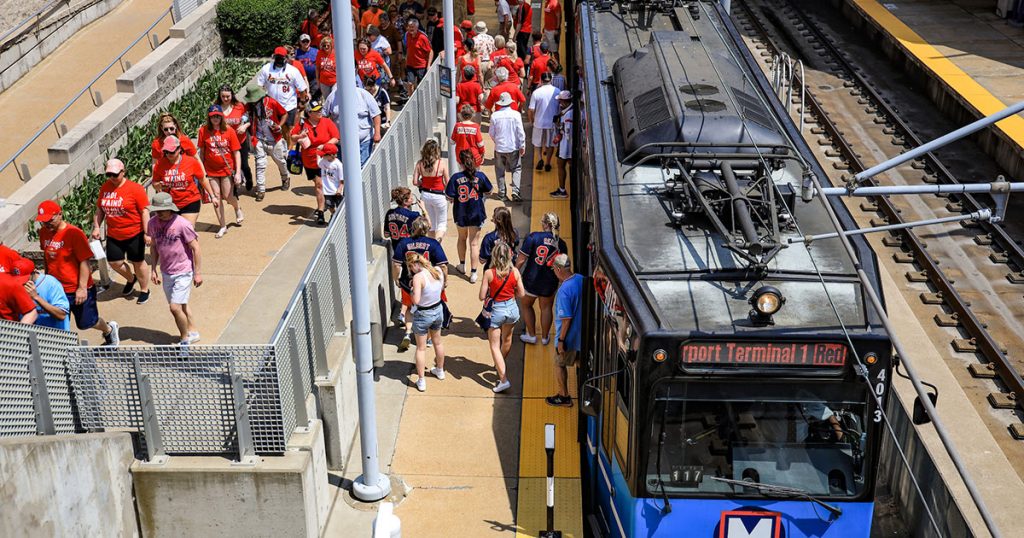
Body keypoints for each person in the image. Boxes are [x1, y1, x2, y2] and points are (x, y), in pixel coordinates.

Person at [35, 200, 119, 345]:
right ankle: (70, 354)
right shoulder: (44, 232)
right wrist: (46, 280)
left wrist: (81, 288)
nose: (46, 224)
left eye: (50, 220)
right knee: (59, 326)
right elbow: (47, 256)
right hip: (57, 290)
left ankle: (109, 329)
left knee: (88, 322)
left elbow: (84, 261)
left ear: (60, 214)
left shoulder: (74, 233)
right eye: (43, 222)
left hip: (76, 289)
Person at [91, 158, 151, 304]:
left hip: (134, 232)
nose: (112, 177)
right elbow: (100, 209)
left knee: (138, 261)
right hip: (114, 233)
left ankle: (144, 289)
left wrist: (147, 232)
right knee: (114, 262)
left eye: (115, 174)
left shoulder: (135, 189)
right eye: (109, 174)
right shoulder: (105, 188)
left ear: (123, 172)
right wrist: (97, 227)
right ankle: (131, 279)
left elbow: (144, 211)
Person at [147, 192, 203, 347]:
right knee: (182, 304)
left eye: (163, 210)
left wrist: (197, 273)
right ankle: (193, 331)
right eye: (157, 210)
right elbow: (153, 248)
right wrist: (153, 269)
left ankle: (184, 339)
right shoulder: (152, 223)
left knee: (174, 307)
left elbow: (196, 248)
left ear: (170, 209)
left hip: (183, 271)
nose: (160, 213)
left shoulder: (182, 224)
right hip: (166, 272)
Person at [392, 218, 448, 352]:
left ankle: (408, 332)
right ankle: (428, 337)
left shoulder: (404, 243)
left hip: (409, 282)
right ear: (427, 229)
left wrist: (396, 279)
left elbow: (396, 264)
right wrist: (444, 281)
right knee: (430, 307)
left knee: (410, 307)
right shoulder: (433, 243)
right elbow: (443, 266)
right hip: (429, 281)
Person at [478, 242, 524, 393]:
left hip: (496, 311)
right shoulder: (515, 272)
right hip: (512, 309)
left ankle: (503, 379)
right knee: (508, 339)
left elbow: (481, 296)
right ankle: (500, 364)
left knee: (494, 346)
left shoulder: (489, 273)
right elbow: (522, 294)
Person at [516, 212, 567, 344]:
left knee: (526, 305)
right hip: (549, 282)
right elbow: (562, 266)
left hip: (530, 280)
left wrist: (514, 273)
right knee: (546, 308)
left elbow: (521, 260)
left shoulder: (534, 237)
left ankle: (532, 335)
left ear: (545, 224)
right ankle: (545, 337)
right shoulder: (561, 243)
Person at [445, 150, 493, 283]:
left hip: (460, 214)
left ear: (460, 162)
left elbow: (449, 196)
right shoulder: (481, 176)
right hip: (477, 213)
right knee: (474, 243)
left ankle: (462, 265)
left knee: (461, 238)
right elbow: (489, 191)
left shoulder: (455, 178)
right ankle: (473, 273)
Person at [198, 105, 244, 238]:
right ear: (209, 117)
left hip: (226, 169)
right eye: (213, 116)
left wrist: (237, 172)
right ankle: (223, 226)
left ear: (222, 117)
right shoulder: (203, 131)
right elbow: (201, 152)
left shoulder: (229, 130)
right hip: (210, 170)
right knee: (216, 198)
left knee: (228, 196)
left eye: (218, 116)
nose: (215, 118)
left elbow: (236, 152)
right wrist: (202, 171)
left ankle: (237, 208)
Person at [292, 100, 339, 225]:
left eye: (320, 109)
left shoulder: (327, 122)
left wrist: (325, 145)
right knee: (319, 185)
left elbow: (336, 137)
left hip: (325, 159)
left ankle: (321, 212)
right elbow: (292, 137)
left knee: (320, 185)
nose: (319, 112)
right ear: (309, 113)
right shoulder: (303, 124)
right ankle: (328, 208)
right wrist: (300, 136)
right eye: (316, 110)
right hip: (310, 160)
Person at [152, 136, 216, 226]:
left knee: (186, 228)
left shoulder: (191, 162)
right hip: (170, 204)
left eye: (171, 151)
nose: (169, 154)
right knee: (173, 231)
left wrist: (212, 196)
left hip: (190, 201)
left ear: (179, 149)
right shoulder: (160, 164)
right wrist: (158, 185)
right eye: (166, 152)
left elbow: (202, 179)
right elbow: (154, 183)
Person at [406, 251, 446, 392]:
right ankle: (440, 370)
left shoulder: (418, 278)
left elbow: (416, 300)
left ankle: (421, 380)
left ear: (413, 265)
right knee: (437, 342)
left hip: (423, 313)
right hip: (438, 309)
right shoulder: (438, 271)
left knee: (421, 348)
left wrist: (411, 291)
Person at [242, 82, 289, 201]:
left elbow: (284, 114)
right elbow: (244, 116)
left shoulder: (271, 102)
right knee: (260, 164)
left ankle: (285, 177)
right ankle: (261, 190)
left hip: (274, 138)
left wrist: (279, 126)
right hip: (259, 139)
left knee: (281, 162)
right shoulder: (249, 106)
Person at [547, 253, 582, 407]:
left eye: (554, 268)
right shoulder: (581, 279)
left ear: (560, 269)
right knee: (580, 361)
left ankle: (563, 396)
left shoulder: (564, 291)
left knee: (559, 364)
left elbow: (566, 318)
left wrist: (561, 340)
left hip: (569, 338)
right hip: (582, 335)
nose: (553, 271)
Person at [257, 46, 310, 146]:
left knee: (289, 130)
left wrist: (302, 101)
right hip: (272, 106)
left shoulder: (293, 71)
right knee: (273, 128)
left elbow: (302, 88)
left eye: (282, 57)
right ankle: (276, 148)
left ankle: (288, 151)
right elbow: (259, 85)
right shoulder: (266, 69)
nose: (279, 60)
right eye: (277, 57)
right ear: (274, 57)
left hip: (288, 105)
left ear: (286, 57)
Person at [324, 84, 382, 165]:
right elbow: (324, 116)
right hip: (341, 144)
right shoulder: (332, 97)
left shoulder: (364, 94)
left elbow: (376, 114)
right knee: (344, 169)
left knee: (362, 168)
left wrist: (377, 133)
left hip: (364, 141)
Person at [14, 257, 70, 330]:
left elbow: (61, 315)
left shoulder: (51, 283)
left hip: (56, 337)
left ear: (34, 272)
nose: (22, 283)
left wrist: (36, 297)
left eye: (25, 279)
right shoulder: (15, 285)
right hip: (29, 335)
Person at [216, 85, 254, 193]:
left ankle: (248, 178)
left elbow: (250, 118)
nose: (226, 99)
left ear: (232, 95)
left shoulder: (239, 106)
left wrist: (245, 126)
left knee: (244, 165)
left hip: (240, 141)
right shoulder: (217, 108)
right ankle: (234, 189)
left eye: (228, 96)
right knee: (230, 166)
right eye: (223, 96)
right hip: (225, 143)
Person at [489, 92, 526, 201]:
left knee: (500, 170)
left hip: (500, 148)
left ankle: (502, 193)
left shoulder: (494, 115)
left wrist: (497, 141)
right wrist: (522, 145)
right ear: (510, 103)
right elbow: (520, 132)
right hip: (513, 147)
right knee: (516, 168)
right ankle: (515, 190)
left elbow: (491, 133)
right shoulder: (516, 115)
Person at [412, 139, 449, 239]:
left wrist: (422, 182)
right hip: (439, 196)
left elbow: (415, 182)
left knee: (430, 223)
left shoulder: (420, 164)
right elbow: (447, 182)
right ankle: (437, 242)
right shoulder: (441, 163)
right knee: (442, 224)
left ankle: (432, 245)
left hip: (425, 195)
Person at [528, 72, 559, 172]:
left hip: (539, 122)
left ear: (541, 80)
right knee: (550, 144)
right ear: (551, 80)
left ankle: (540, 158)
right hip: (552, 123)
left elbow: (531, 110)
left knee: (538, 143)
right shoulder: (557, 91)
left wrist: (531, 120)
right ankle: (548, 162)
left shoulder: (536, 92)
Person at [479, 206, 518, 270]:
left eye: (493, 215)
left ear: (496, 220)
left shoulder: (489, 238)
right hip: (510, 269)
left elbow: (482, 260)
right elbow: (516, 244)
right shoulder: (515, 233)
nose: (492, 216)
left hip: (493, 271)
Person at [551, 90, 573, 198]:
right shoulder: (566, 111)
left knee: (561, 165)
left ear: (565, 101)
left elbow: (567, 133)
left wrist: (559, 135)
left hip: (566, 146)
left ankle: (562, 190)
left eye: (560, 101)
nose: (559, 103)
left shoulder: (568, 114)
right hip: (565, 144)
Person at [403, 19, 434, 96]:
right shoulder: (407, 35)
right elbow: (408, 48)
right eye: (409, 27)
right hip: (410, 65)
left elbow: (430, 51)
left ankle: (421, 101)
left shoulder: (422, 37)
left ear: (417, 27)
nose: (411, 29)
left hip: (421, 66)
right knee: (410, 84)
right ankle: (411, 101)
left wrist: (428, 65)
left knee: (421, 86)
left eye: (412, 27)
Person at [318, 143, 344, 220]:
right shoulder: (323, 161)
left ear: (332, 155)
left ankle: (339, 218)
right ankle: (334, 214)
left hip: (336, 190)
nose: (322, 156)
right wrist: (318, 150)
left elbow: (342, 180)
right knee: (329, 205)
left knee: (340, 205)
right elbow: (318, 161)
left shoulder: (338, 164)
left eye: (324, 154)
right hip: (327, 190)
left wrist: (340, 188)